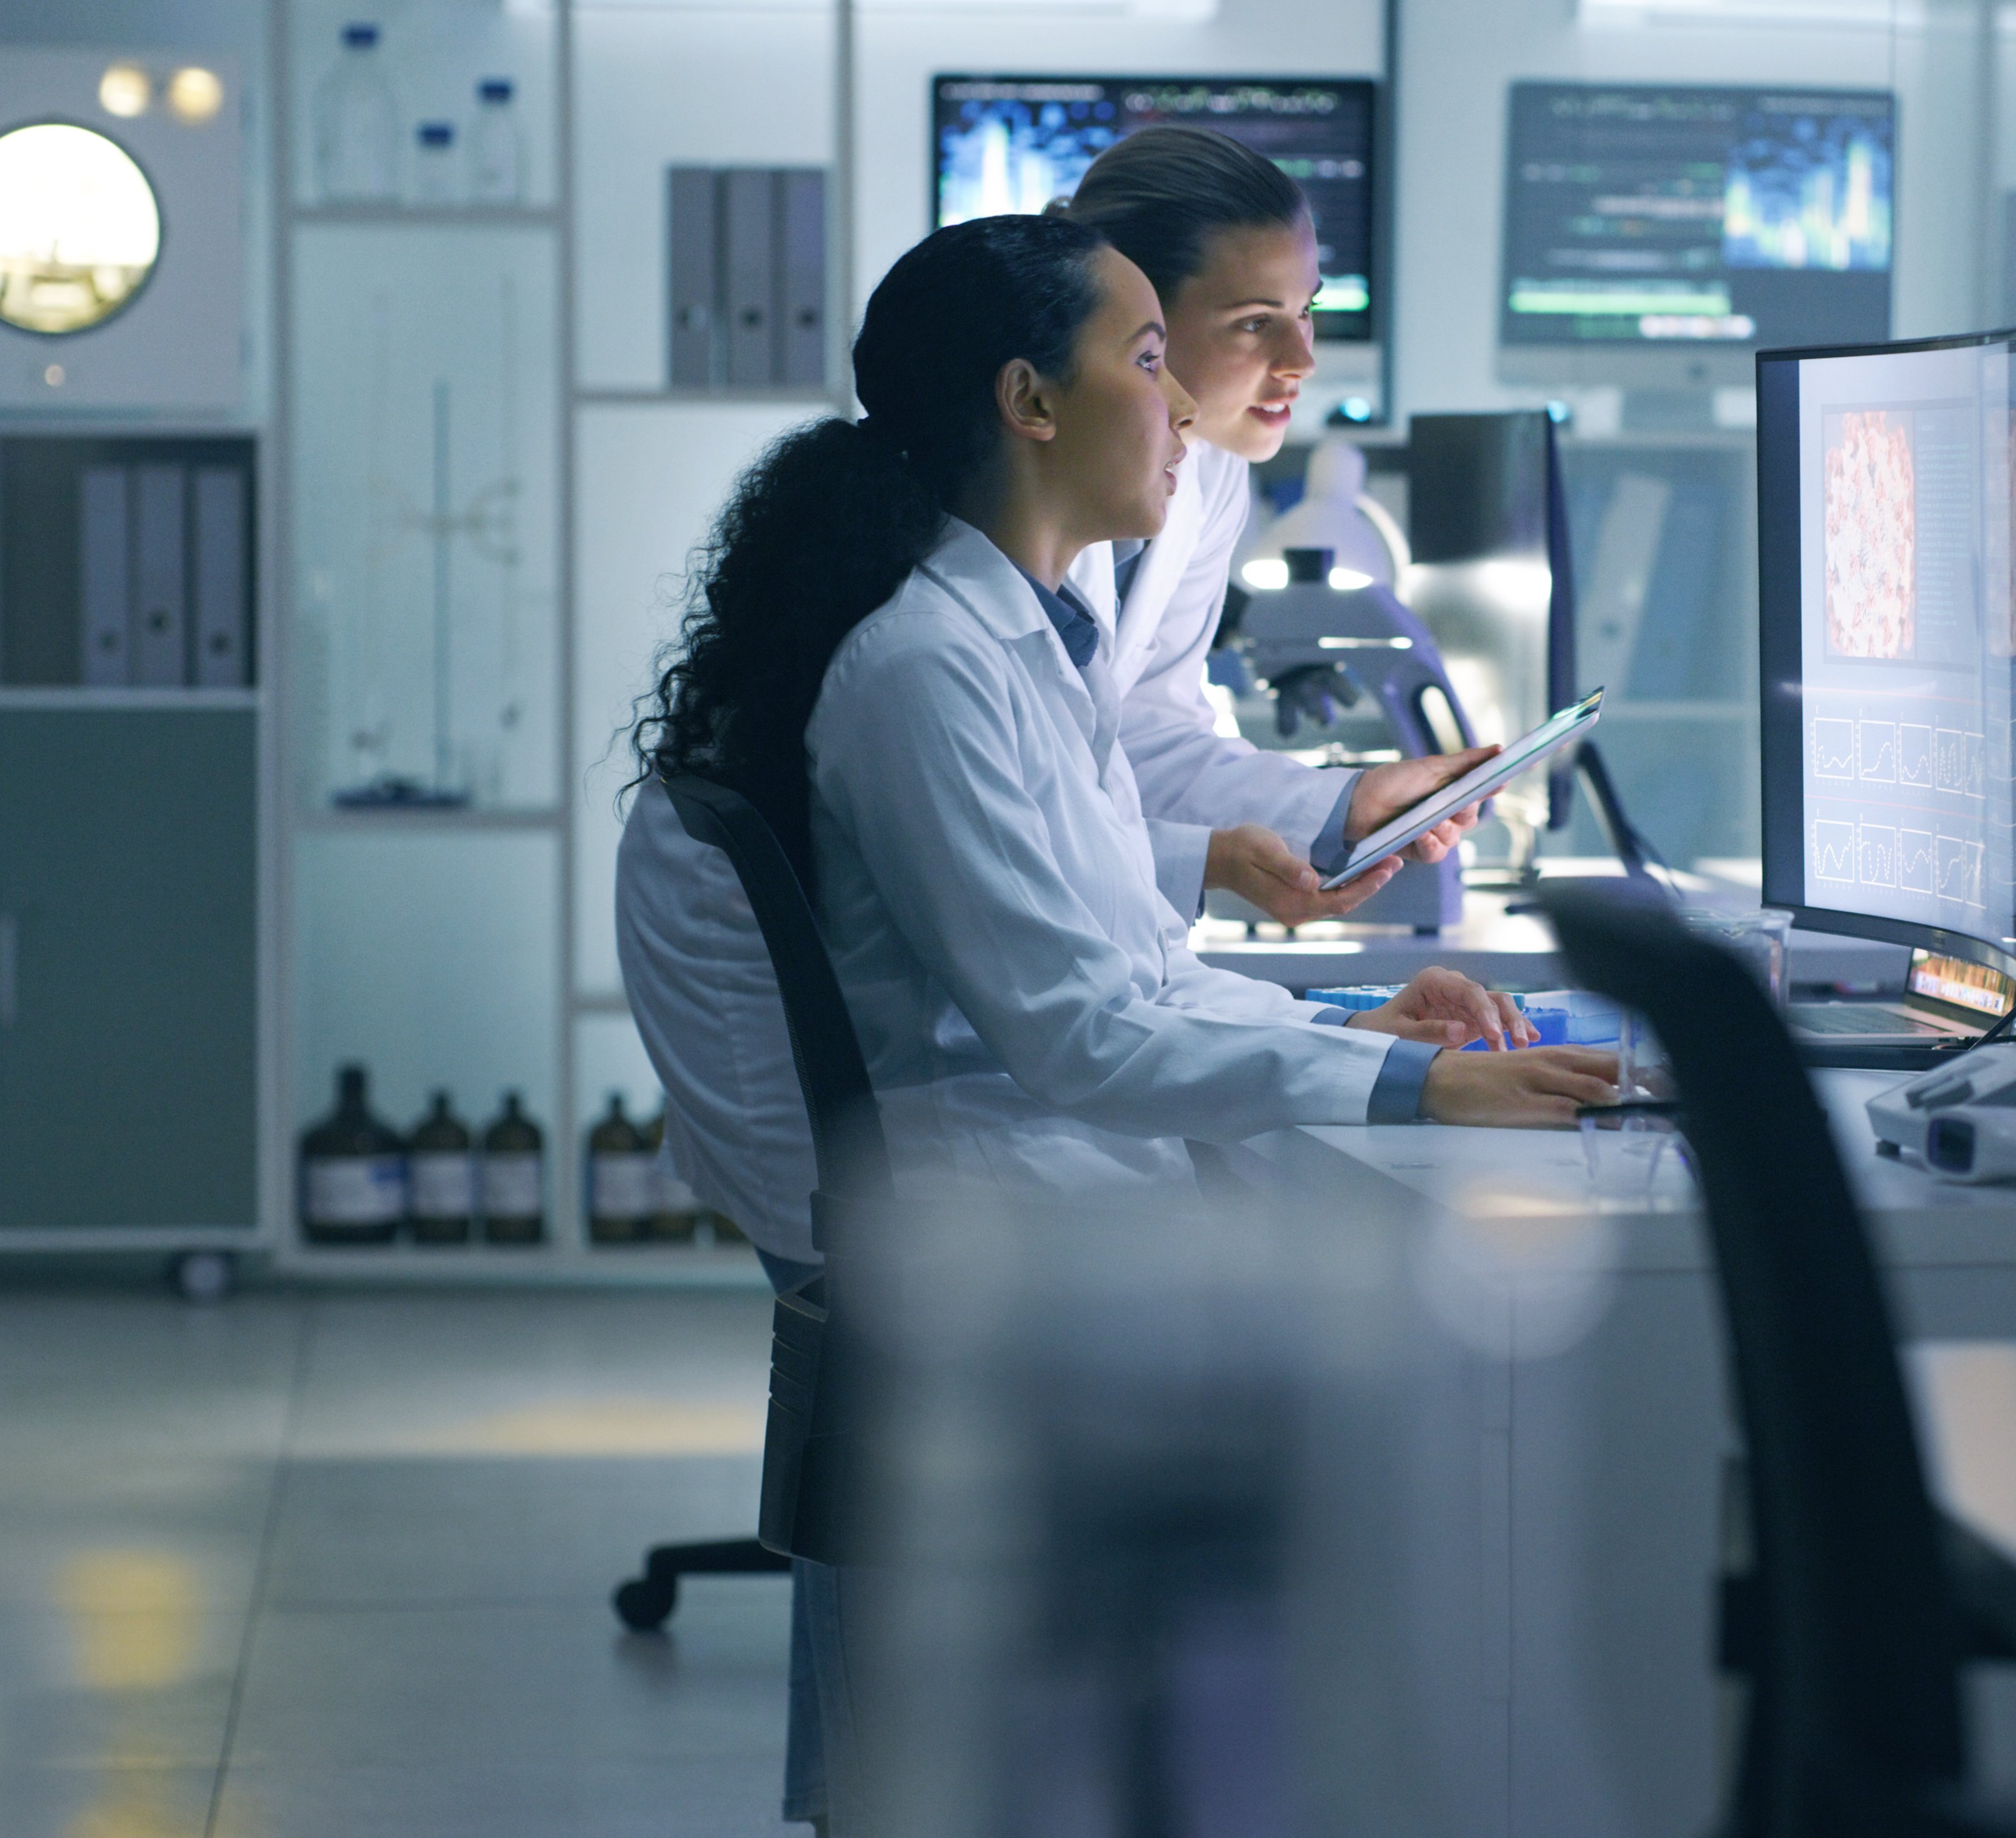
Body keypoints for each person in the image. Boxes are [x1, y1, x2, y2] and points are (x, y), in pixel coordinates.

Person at [616, 217, 1616, 1827]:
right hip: (1005, 1202)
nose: (1184, 408)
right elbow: (1082, 1033)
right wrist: (1411, 1090)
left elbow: (1129, 967)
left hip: (1031, 1166)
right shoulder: (925, 668)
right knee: (1465, 1363)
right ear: (1029, 401)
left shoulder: (1018, 639)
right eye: (1151, 360)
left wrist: (1372, 1034)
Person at [1051, 124, 1466, 927]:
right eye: (1253, 322)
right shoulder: (996, 519)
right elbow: (1026, 817)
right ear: (1128, 319)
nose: (1302, 360)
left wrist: (1345, 804)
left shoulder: (1209, 468)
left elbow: (1144, 737)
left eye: (1307, 311)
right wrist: (1212, 863)